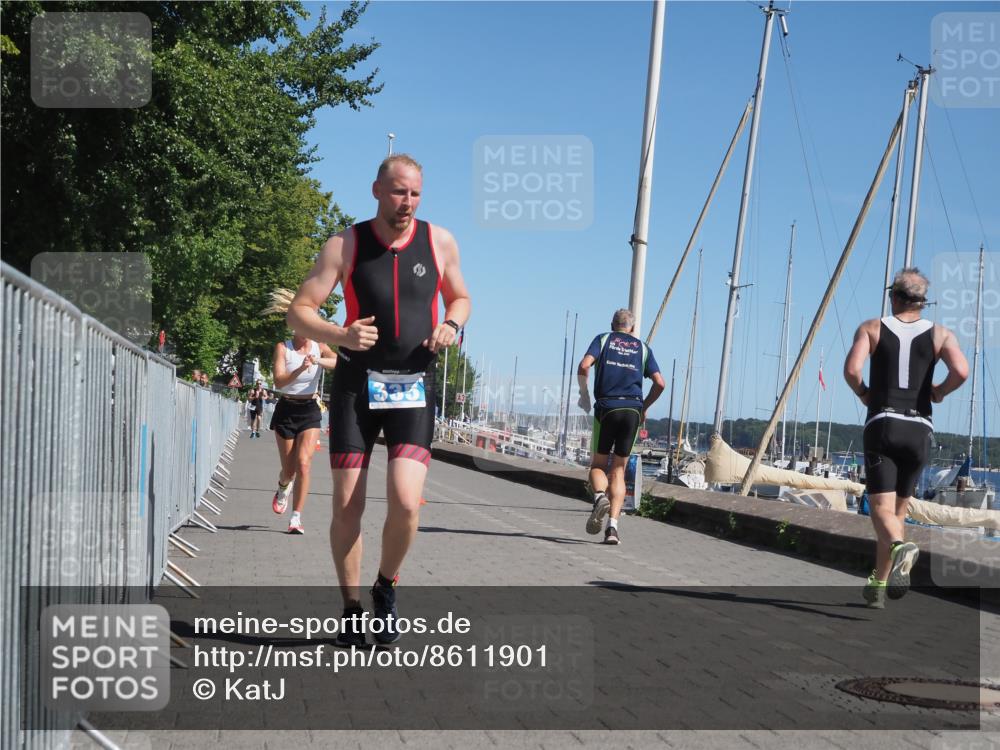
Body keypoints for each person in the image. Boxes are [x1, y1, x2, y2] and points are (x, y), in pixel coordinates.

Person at [287, 154, 471, 646]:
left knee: (407, 502)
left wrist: (451, 324)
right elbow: (298, 312)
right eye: (398, 191)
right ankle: (351, 609)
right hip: (356, 387)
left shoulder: (439, 241)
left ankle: (385, 586)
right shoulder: (345, 244)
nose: (407, 202)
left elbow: (461, 297)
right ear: (376, 190)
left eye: (415, 193)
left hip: (413, 385)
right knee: (348, 505)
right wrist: (340, 334)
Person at [844, 268, 968, 609]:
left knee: (880, 510)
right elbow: (961, 371)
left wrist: (865, 393)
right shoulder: (941, 334)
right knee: (896, 514)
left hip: (884, 423)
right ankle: (878, 587)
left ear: (893, 297)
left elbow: (852, 370)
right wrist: (939, 392)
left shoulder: (871, 328)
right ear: (923, 302)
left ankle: (900, 549)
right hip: (919, 429)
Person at [576, 309, 665, 546]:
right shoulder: (643, 348)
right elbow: (660, 383)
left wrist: (584, 394)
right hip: (632, 411)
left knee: (598, 465)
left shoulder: (603, 339)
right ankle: (612, 529)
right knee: (618, 470)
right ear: (632, 328)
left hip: (607, 408)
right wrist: (644, 407)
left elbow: (584, 366)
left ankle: (599, 498)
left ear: (612, 324)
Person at [270, 335, 337, 534]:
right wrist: (300, 368)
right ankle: (283, 486)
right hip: (287, 409)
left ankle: (296, 517)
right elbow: (279, 381)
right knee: (289, 471)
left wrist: (318, 361)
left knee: (304, 464)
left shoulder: (320, 346)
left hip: (309, 409)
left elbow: (337, 362)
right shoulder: (283, 348)